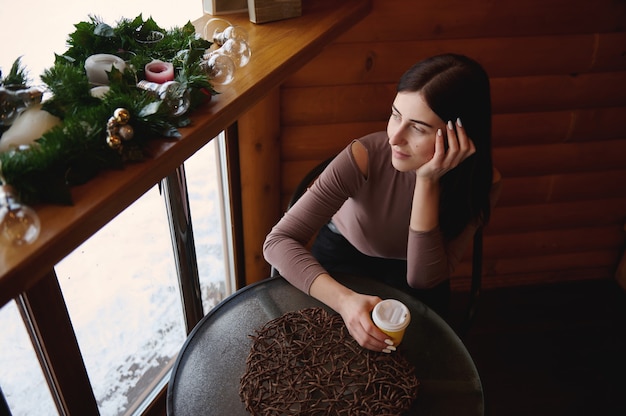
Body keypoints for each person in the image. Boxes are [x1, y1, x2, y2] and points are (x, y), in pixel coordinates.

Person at [263, 53, 501, 353]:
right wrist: (345, 301)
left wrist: (427, 181)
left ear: (459, 136)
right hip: (342, 258)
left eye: (418, 127)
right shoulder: (364, 156)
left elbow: (423, 278)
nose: (394, 137)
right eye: (395, 114)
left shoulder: (483, 182)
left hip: (413, 275)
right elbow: (277, 241)